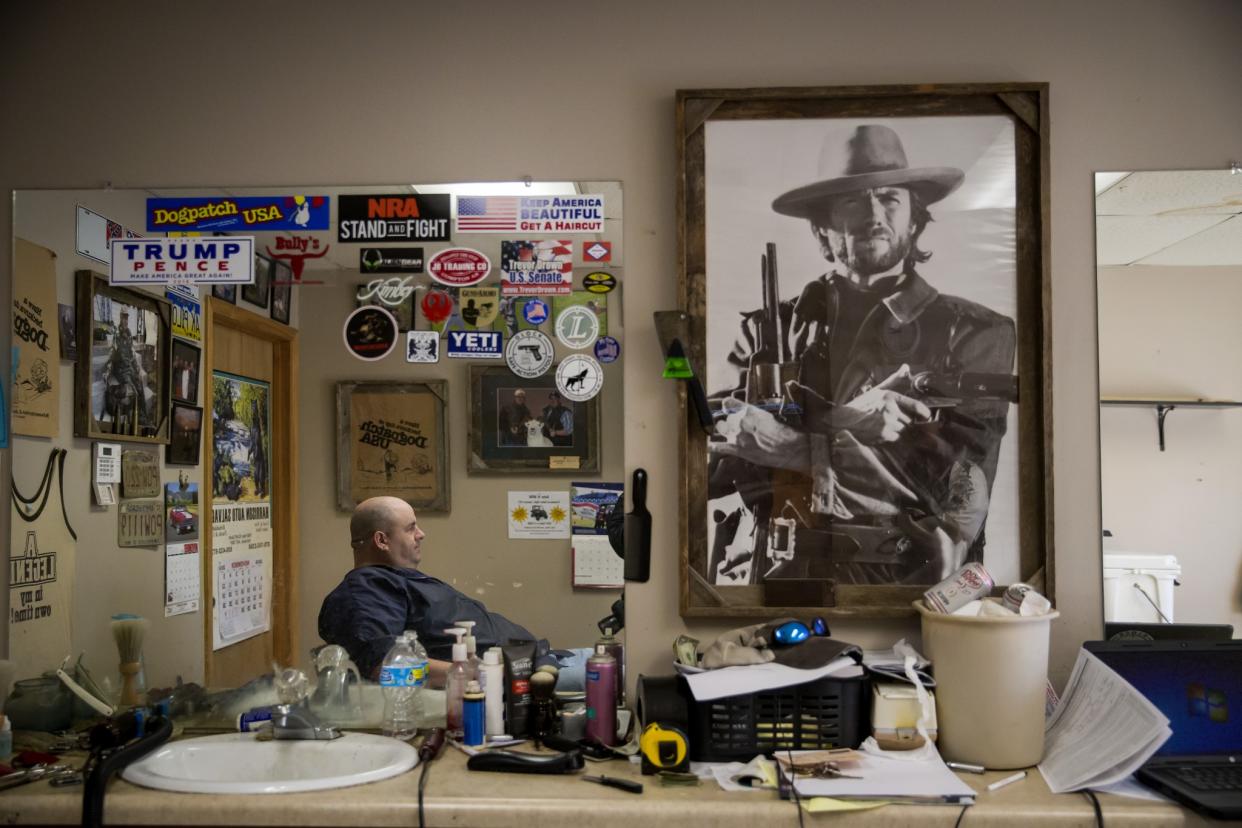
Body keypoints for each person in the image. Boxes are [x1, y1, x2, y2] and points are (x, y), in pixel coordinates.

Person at [709, 124, 1016, 587]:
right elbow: (709, 453)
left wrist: (798, 446)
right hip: (772, 580)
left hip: (903, 588)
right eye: (853, 199)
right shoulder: (765, 329)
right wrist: (847, 423)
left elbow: (950, 489)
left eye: (890, 197)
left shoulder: (975, 331)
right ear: (821, 225)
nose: (874, 213)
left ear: (915, 217)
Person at [319, 497, 588, 687]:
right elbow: (384, 668)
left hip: (543, 658)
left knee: (617, 658)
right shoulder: (365, 591)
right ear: (381, 540)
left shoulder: (396, 581)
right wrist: (484, 674)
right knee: (623, 673)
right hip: (523, 675)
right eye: (411, 527)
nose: (421, 534)